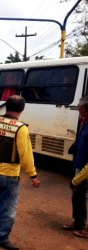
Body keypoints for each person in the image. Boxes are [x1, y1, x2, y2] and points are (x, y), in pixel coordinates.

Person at [0, 95, 41, 250]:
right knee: (6, 208)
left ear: (6, 106)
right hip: (8, 174)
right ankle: (0, 237)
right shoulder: (20, 128)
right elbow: (25, 154)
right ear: (22, 109)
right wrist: (33, 174)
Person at [63, 95, 88, 238]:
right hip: (80, 165)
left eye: (80, 107)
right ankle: (78, 222)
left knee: (82, 195)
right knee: (77, 195)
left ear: (85, 108)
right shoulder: (84, 122)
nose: (78, 109)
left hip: (86, 168)